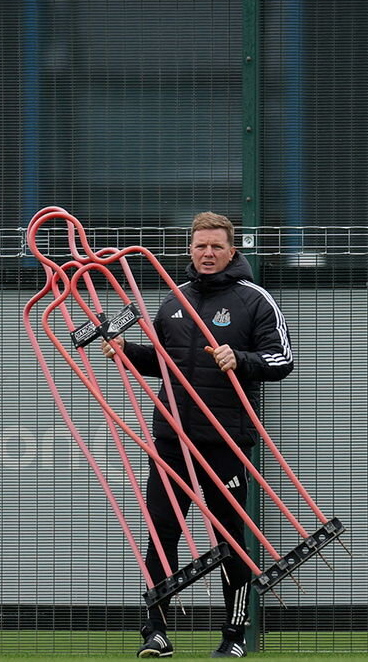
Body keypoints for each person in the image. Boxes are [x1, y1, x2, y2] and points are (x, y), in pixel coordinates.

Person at [105, 211, 294, 658]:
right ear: (190, 250)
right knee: (162, 533)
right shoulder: (175, 300)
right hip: (171, 440)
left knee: (229, 539)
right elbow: (164, 362)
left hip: (224, 441)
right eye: (200, 246)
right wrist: (126, 351)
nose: (207, 253)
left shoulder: (254, 299)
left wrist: (240, 359)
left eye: (216, 246)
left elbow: (282, 360)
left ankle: (234, 636)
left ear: (232, 251)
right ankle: (156, 632)